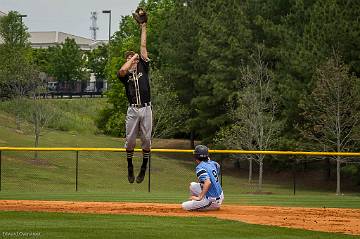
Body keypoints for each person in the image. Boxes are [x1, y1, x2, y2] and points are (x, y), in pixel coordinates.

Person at [117, 12, 151, 184]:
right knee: (130, 140)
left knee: (146, 140)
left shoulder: (143, 68)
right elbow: (122, 70)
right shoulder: (125, 76)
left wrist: (143, 27)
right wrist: (131, 59)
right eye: (128, 58)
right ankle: (130, 165)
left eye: (133, 58)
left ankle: (144, 166)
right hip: (133, 109)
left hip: (146, 108)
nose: (133, 60)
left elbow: (143, 47)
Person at [182, 145, 224, 211]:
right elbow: (218, 166)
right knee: (192, 185)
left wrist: (200, 197)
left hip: (212, 200)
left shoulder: (200, 167)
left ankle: (209, 204)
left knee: (184, 206)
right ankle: (200, 201)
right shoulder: (213, 163)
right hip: (219, 195)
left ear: (196, 157)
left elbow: (208, 182)